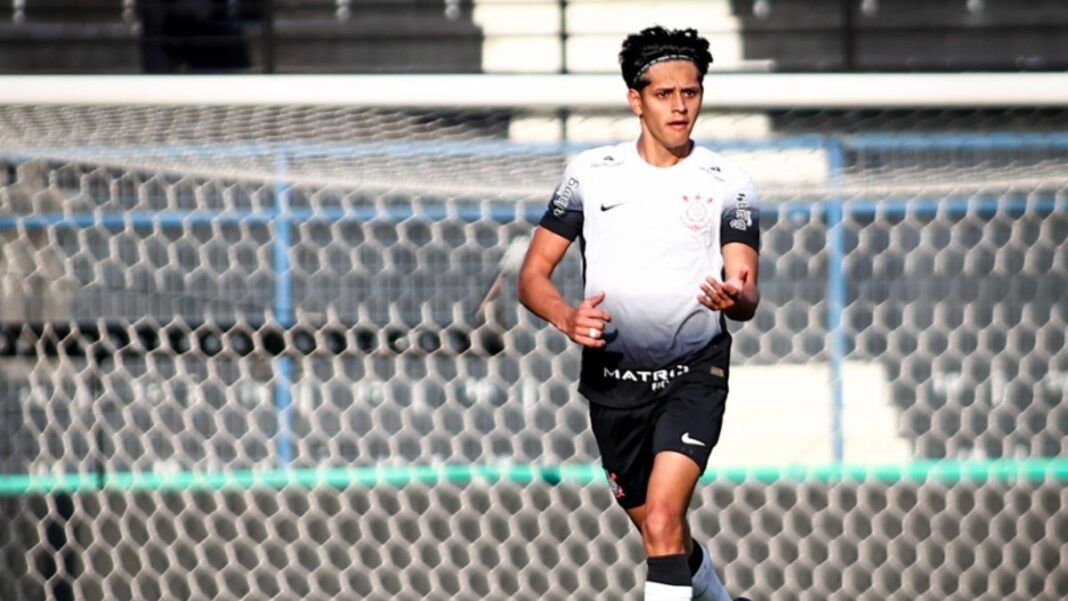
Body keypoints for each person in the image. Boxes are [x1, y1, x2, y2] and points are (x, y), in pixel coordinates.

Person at [517, 26, 760, 601]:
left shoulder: (729, 183)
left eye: (690, 93)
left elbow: (746, 290)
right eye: (664, 93)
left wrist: (736, 297)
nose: (680, 106)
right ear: (636, 99)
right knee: (660, 533)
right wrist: (566, 317)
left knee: (664, 519)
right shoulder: (591, 173)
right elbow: (532, 277)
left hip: (694, 372)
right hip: (614, 382)